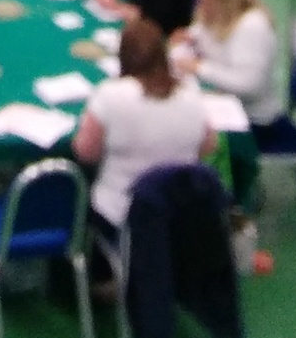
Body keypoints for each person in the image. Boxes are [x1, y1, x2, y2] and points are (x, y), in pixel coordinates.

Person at [74, 18, 216, 246]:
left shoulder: (110, 94)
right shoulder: (191, 95)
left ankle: (94, 273)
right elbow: (209, 145)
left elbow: (86, 153)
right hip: (180, 213)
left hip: (121, 215)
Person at [184, 0, 285, 209]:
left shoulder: (252, 27)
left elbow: (249, 84)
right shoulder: (217, 16)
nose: (199, 4)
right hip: (228, 103)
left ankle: (225, 201)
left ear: (220, 0)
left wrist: (199, 68)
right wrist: (190, 38)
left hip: (254, 121)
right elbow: (201, 34)